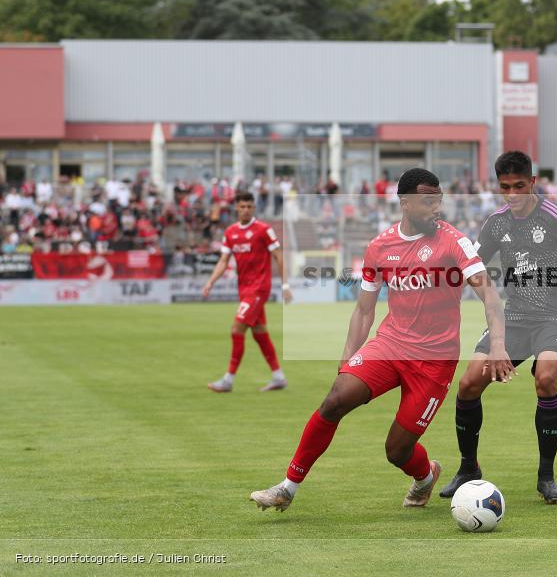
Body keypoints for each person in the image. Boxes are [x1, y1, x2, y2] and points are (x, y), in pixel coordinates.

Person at [249, 168, 513, 512]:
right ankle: (287, 487)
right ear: (405, 203)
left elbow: (490, 296)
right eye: (428, 201)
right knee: (335, 400)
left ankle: (425, 477)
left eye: (439, 200)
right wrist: (347, 358)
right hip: (389, 345)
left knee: (397, 450)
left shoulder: (454, 242)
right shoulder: (379, 247)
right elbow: (363, 311)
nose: (437, 208)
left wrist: (498, 345)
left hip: (435, 360)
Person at [439, 151, 557, 504]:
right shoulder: (496, 224)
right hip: (513, 319)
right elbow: (474, 268)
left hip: (555, 318)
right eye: (504, 188)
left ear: (532, 183)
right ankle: (468, 467)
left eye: (518, 186)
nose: (511, 195)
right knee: (468, 384)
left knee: (545, 379)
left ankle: (546, 476)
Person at [204, 191, 292, 392]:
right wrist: (210, 281)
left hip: (259, 288)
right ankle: (278, 376)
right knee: (260, 333)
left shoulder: (263, 230)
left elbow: (279, 256)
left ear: (254, 208)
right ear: (236, 208)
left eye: (249, 206)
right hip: (244, 289)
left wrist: (285, 285)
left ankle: (228, 380)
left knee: (237, 329)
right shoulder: (231, 232)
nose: (245, 210)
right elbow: (224, 261)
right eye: (242, 206)